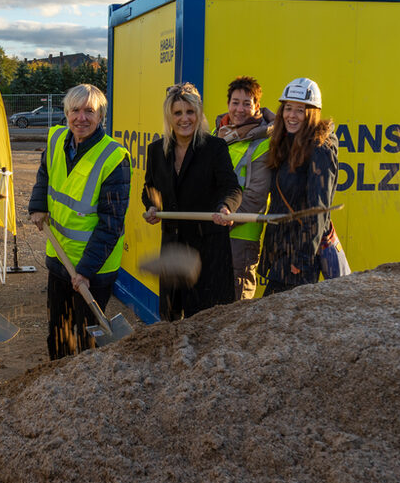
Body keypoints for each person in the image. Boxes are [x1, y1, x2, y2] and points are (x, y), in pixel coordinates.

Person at [28, 84, 130, 360]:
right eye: (75, 111)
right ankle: (57, 383)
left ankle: (85, 393)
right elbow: (45, 174)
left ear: (101, 117)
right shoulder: (56, 140)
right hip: (60, 256)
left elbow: (112, 223)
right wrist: (38, 206)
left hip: (94, 269)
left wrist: (85, 270)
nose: (81, 118)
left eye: (89, 111)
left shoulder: (113, 157)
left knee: (87, 336)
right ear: (66, 113)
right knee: (58, 331)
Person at [143, 82, 241, 321]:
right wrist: (151, 206)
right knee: (171, 322)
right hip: (173, 251)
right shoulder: (156, 150)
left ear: (199, 114)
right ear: (169, 116)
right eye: (178, 113)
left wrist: (225, 206)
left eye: (190, 112)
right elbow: (149, 189)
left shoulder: (215, 147)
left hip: (208, 252)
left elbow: (232, 187)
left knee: (209, 322)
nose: (184, 119)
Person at [257, 77, 338, 295]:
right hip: (281, 250)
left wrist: (301, 259)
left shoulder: (320, 148)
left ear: (312, 114)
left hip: (297, 259)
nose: (292, 116)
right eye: (288, 108)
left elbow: (318, 210)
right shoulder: (284, 142)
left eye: (300, 110)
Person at [216, 76, 273, 300]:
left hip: (241, 237)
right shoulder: (218, 133)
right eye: (235, 102)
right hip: (215, 229)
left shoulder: (264, 143)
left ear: (257, 106)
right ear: (228, 104)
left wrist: (225, 220)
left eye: (247, 103)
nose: (240, 109)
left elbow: (256, 196)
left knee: (236, 307)